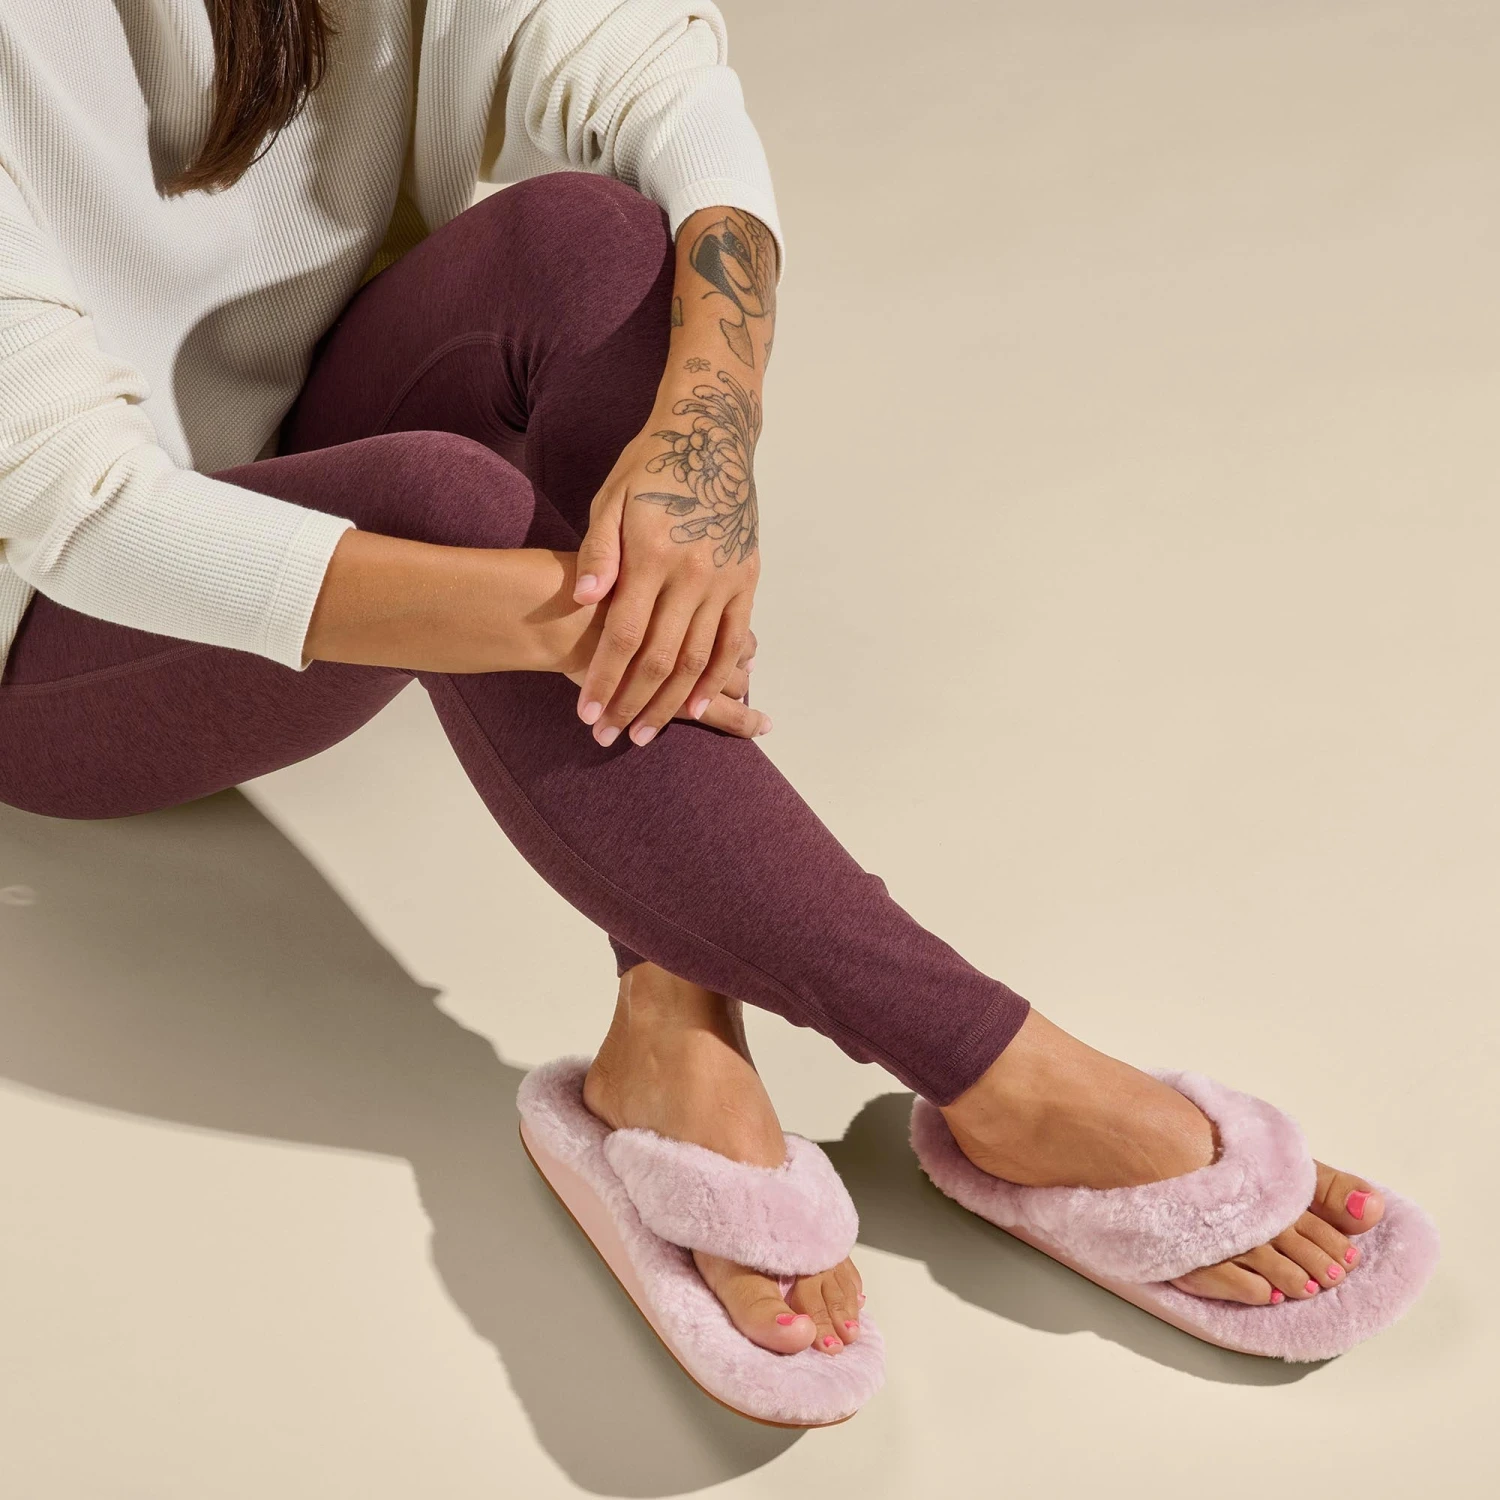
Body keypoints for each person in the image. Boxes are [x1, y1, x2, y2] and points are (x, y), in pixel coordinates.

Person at [0, 0, 1393, 1371]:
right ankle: (995, 1064)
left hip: (284, 433)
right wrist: (582, 622)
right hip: (58, 626)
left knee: (597, 245)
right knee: (444, 505)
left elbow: (654, 76)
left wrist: (709, 429)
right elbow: (78, 507)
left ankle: (673, 1019)